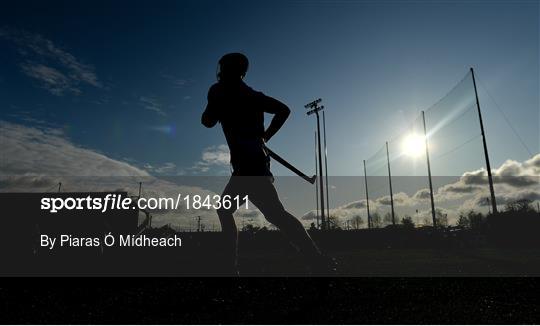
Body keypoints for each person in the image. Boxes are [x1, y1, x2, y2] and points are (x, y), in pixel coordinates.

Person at [202, 53, 333, 275]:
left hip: (251, 166)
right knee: (268, 214)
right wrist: (265, 136)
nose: (221, 72)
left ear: (235, 71)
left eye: (225, 69)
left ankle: (315, 260)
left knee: (266, 214)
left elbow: (207, 121)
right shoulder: (245, 95)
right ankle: (315, 259)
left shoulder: (231, 93)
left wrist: (264, 137)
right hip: (248, 166)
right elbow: (208, 121)